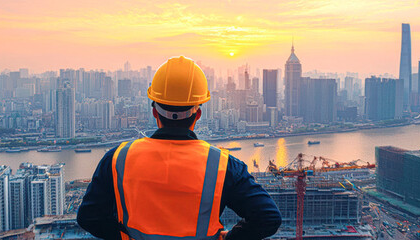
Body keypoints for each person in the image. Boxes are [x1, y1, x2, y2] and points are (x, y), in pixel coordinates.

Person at [77, 56, 281, 240]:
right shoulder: (222, 165)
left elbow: (89, 217)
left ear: (155, 113)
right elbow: (268, 217)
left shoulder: (118, 159)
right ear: (198, 114)